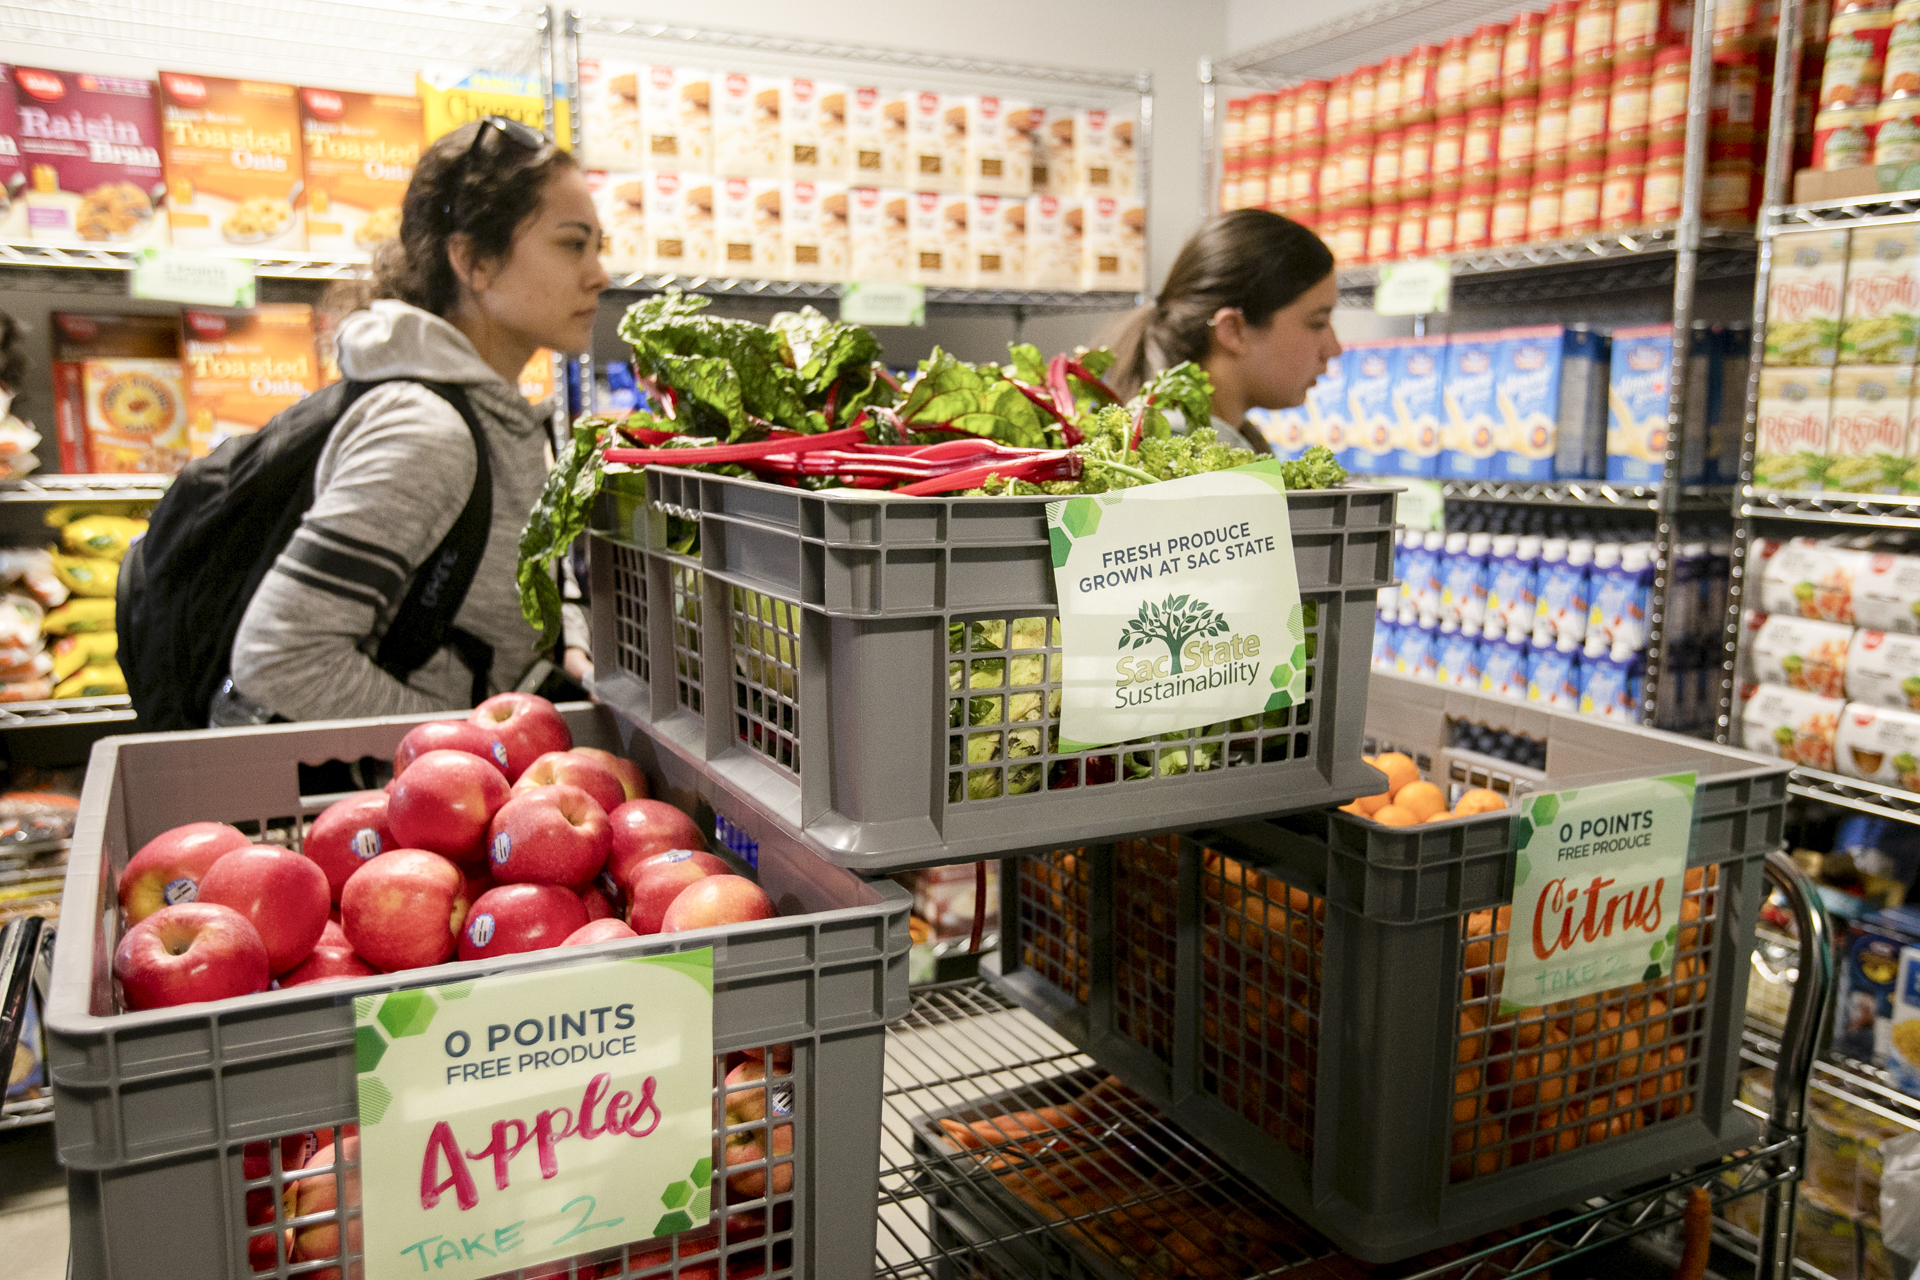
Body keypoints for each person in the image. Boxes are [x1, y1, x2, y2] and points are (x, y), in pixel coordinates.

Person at [216, 117, 608, 726]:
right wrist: (465, 750)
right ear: (474, 261)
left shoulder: (497, 415)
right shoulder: (429, 432)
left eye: (597, 246)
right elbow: (280, 656)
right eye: (571, 243)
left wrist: (572, 644)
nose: (599, 274)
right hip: (395, 805)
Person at [1107, 208, 1342, 455]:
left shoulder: (1227, 439)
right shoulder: (1184, 458)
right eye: (1317, 322)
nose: (1334, 349)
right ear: (1233, 331)